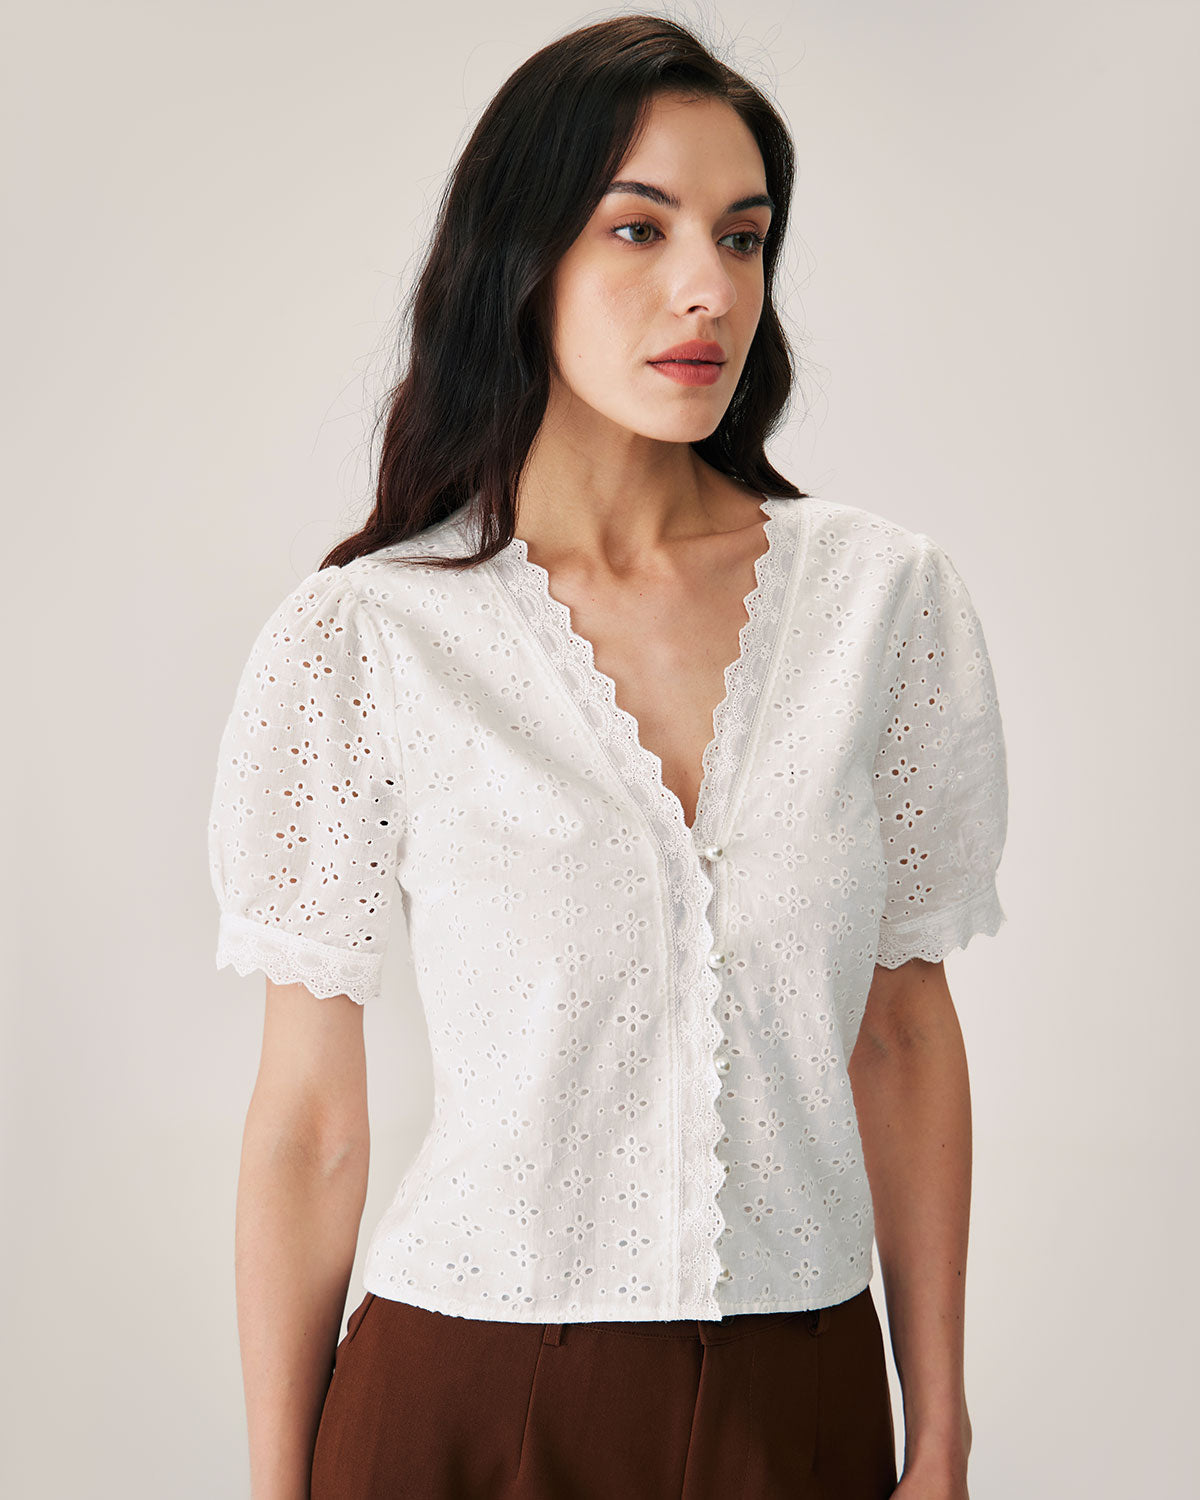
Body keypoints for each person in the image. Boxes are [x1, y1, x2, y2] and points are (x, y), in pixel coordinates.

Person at [207, 15, 1008, 1500]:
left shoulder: (882, 605)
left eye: (743, 237)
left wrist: (942, 1427)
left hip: (804, 1396)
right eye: (639, 229)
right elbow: (309, 1123)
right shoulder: (371, 636)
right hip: (464, 1396)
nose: (711, 288)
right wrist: (273, 1488)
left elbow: (902, 1035)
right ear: (520, 263)